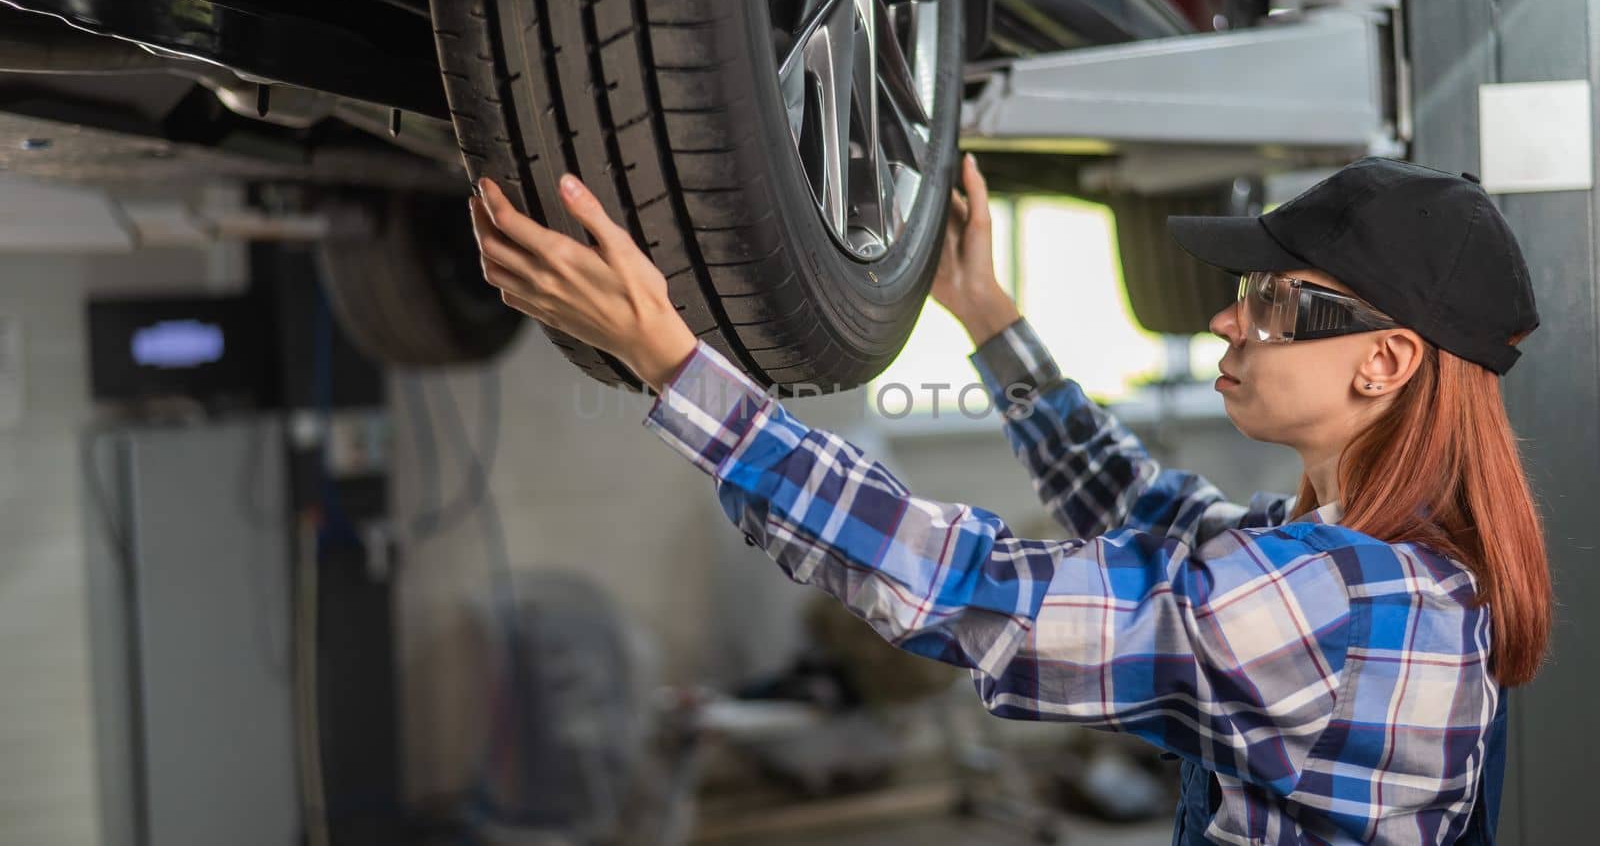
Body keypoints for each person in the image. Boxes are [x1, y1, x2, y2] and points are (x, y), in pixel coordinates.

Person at [467, 154, 1552, 845]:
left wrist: (673, 363)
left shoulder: (1330, 608)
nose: (1226, 324)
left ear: (1385, 362)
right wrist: (983, 313)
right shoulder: (1376, 568)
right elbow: (1136, 508)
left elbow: (963, 587)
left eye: (1270, 301)